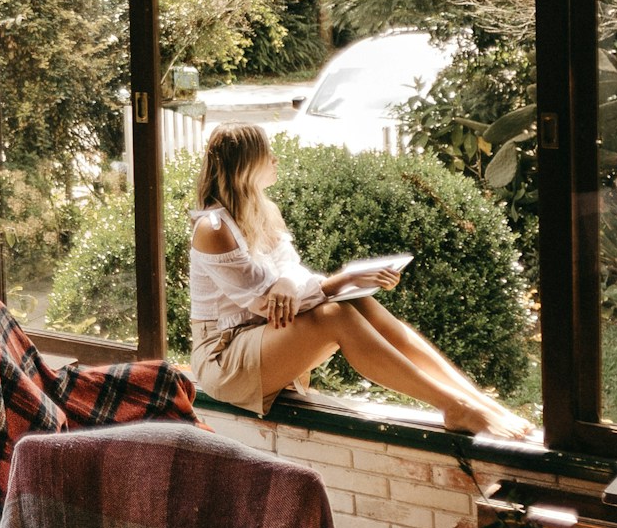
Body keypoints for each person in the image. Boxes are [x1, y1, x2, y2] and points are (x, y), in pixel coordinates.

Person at [187, 123, 536, 440]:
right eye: (267, 154)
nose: (276, 160)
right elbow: (266, 303)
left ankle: (473, 400)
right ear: (246, 166)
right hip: (224, 355)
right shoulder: (213, 229)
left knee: (358, 300)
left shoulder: (264, 211)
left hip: (260, 335)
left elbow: (291, 271)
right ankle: (452, 407)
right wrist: (341, 279)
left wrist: (292, 283)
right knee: (336, 314)